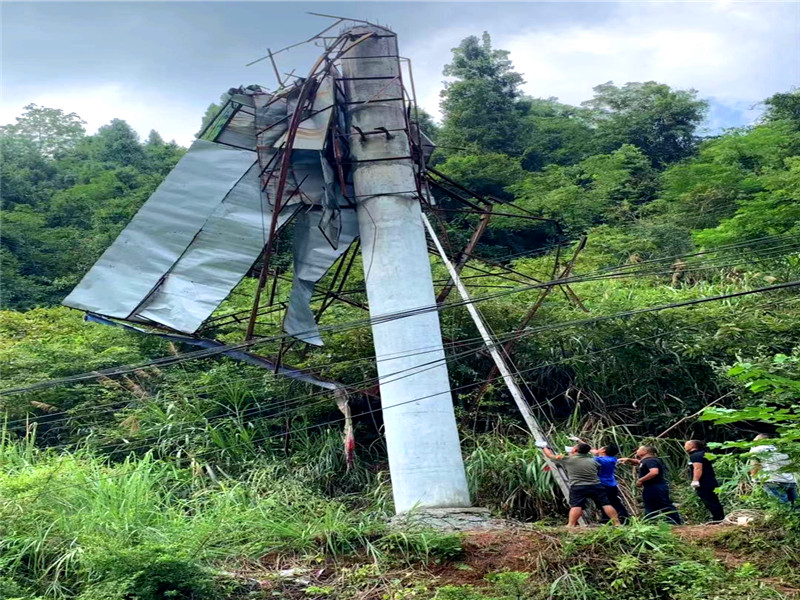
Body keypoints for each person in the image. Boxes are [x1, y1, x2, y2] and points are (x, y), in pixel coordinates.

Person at [537, 441, 621, 527]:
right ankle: (617, 523)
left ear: (576, 450)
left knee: (576, 505)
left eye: (573, 447)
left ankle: (570, 525)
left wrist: (544, 447)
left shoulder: (568, 459)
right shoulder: (594, 461)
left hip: (578, 486)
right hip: (596, 485)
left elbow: (550, 455)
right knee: (606, 504)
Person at [620, 445, 682, 524]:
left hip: (656, 487)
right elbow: (640, 462)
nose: (637, 451)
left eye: (639, 449)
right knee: (650, 504)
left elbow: (654, 472)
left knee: (664, 504)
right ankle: (650, 522)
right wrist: (629, 460)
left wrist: (641, 480)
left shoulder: (650, 461)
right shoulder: (647, 460)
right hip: (651, 487)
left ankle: (674, 522)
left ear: (645, 452)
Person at [749, 434, 798, 507]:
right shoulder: (781, 450)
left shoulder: (756, 450)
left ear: (759, 440)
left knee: (782, 506)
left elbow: (755, 465)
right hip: (790, 481)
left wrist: (753, 477)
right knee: (796, 506)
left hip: (772, 481)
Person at [684, 440, 725, 522]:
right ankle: (719, 517)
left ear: (692, 446)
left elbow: (698, 468)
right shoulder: (702, 453)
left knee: (709, 500)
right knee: (712, 499)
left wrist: (695, 480)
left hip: (704, 482)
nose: (684, 446)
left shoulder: (696, 456)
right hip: (710, 480)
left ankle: (718, 518)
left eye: (686, 444)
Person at [593, 444, 630, 523]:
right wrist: (579, 441)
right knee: (613, 502)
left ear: (603, 451)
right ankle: (622, 518)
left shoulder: (602, 460)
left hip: (604, 484)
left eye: (600, 448)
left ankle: (620, 518)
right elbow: (592, 450)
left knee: (606, 503)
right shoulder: (612, 459)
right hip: (611, 484)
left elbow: (590, 457)